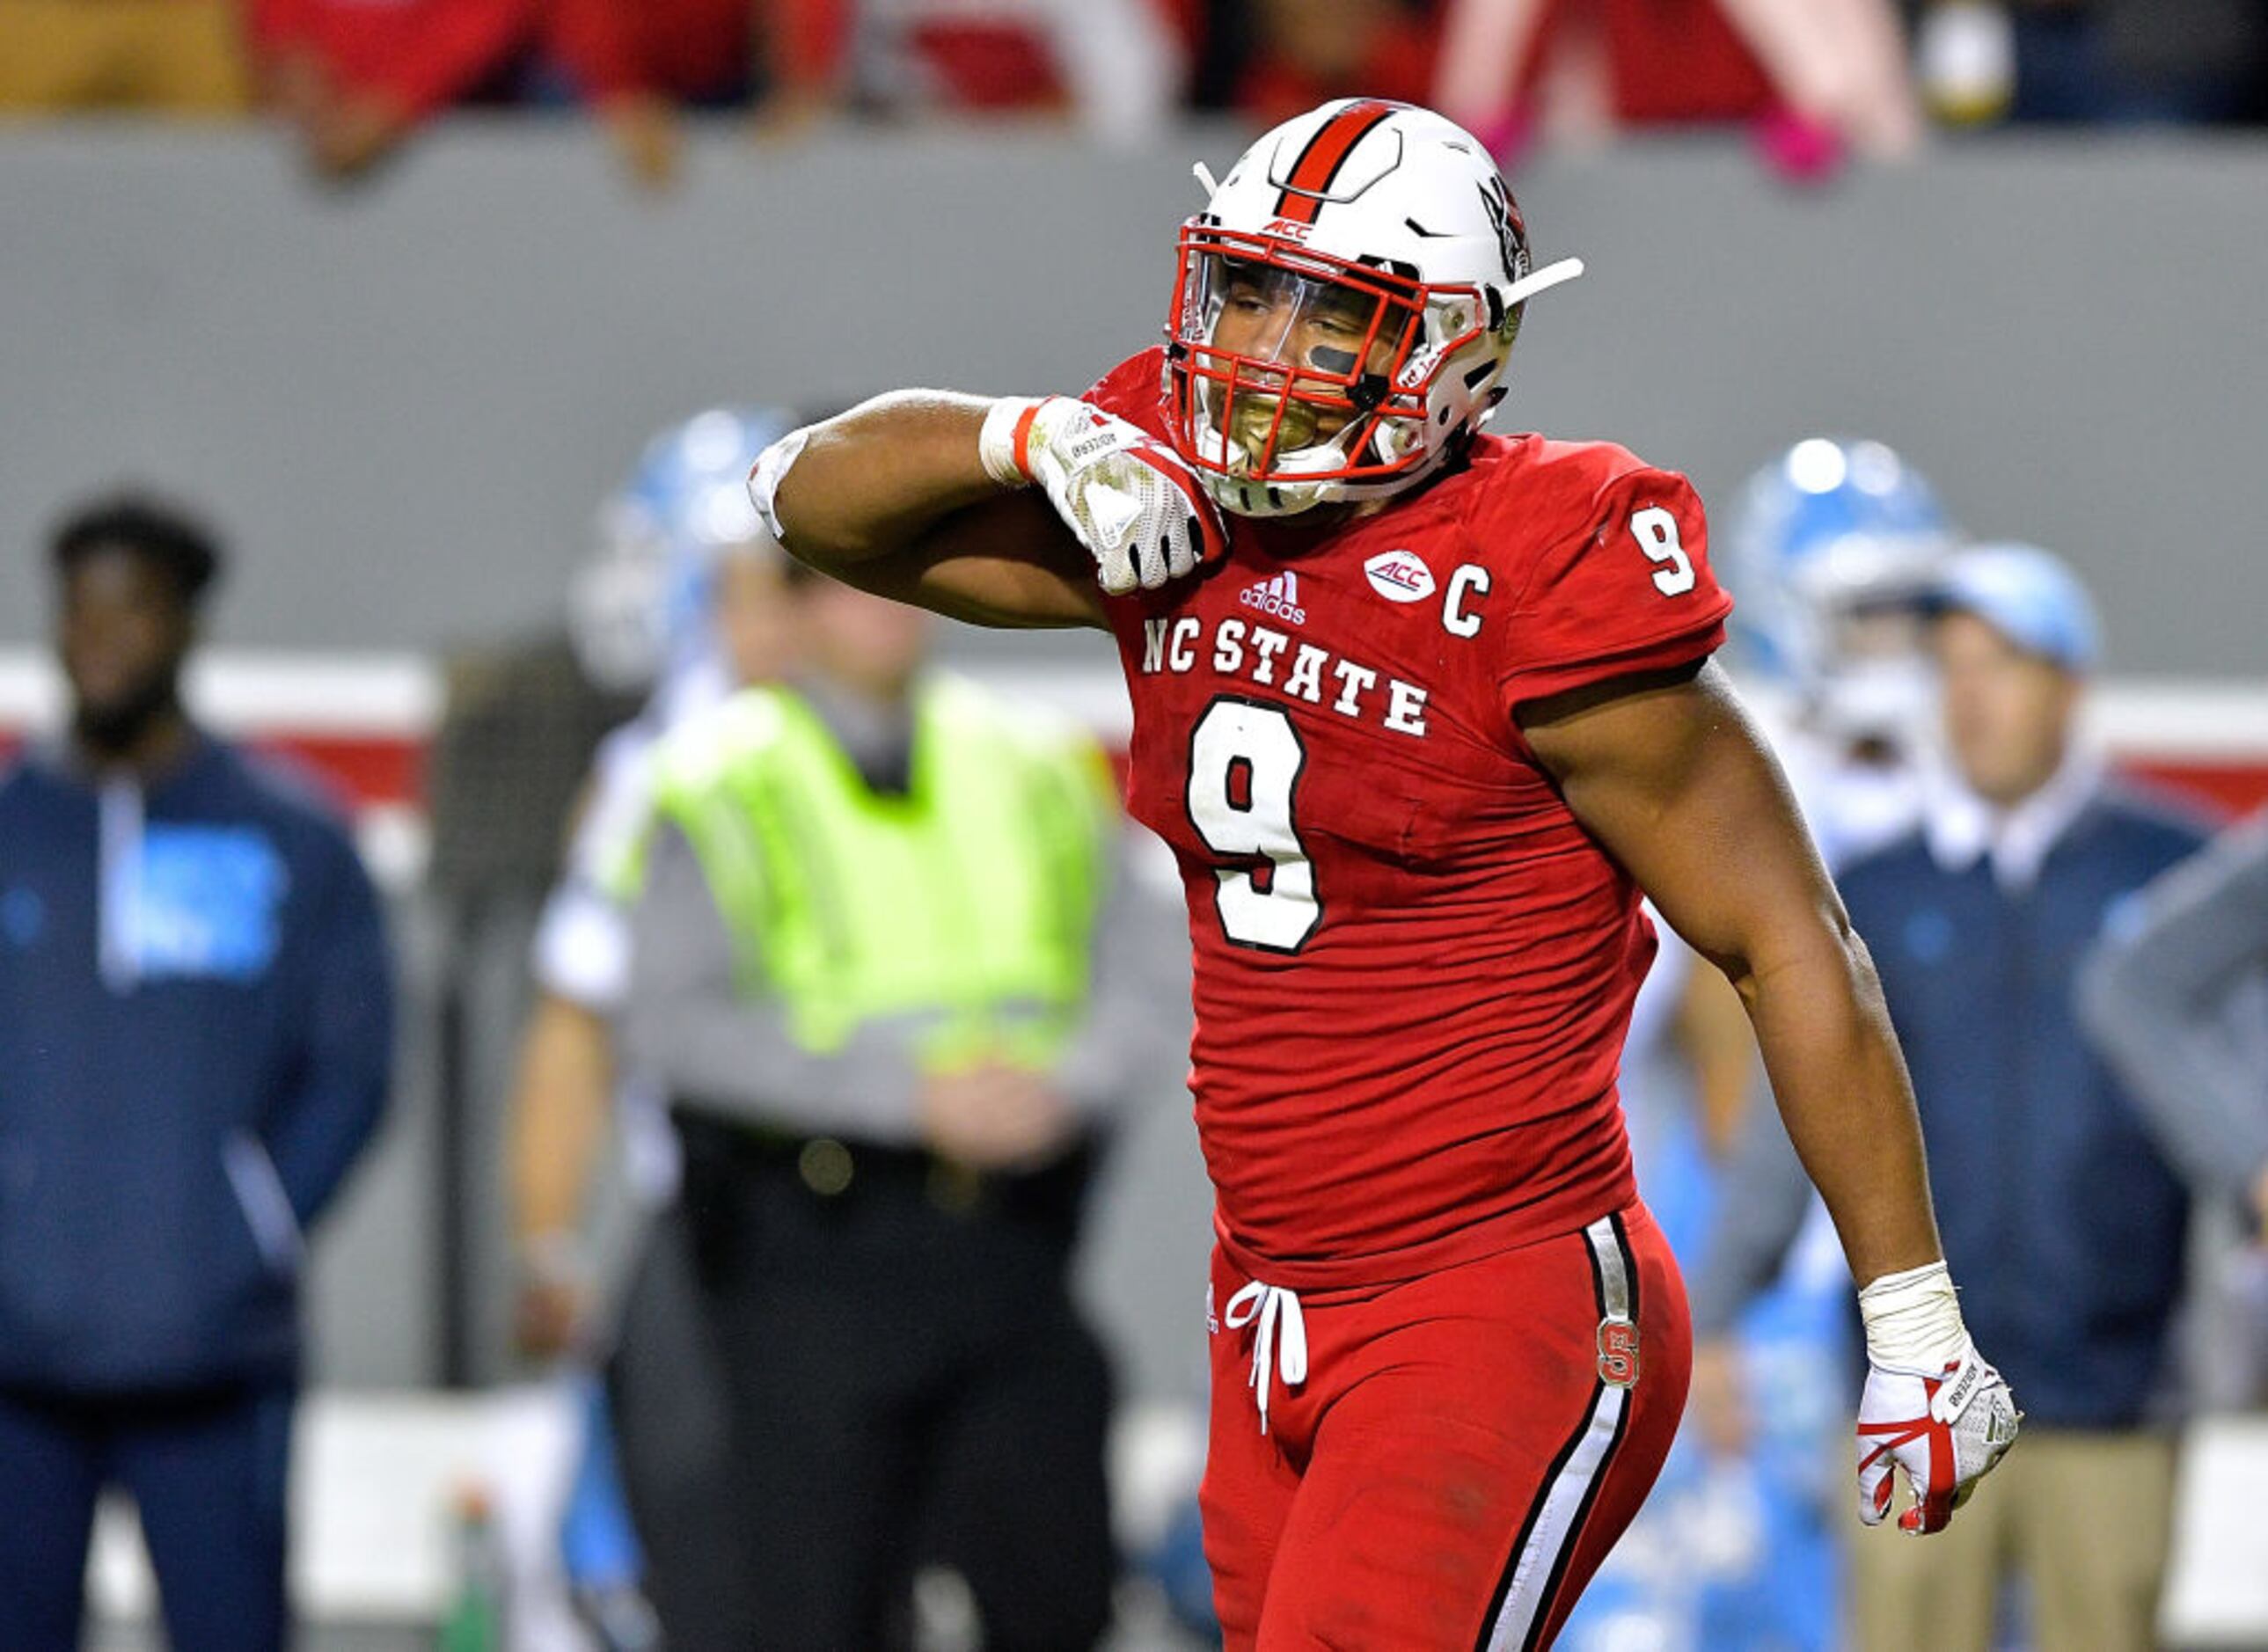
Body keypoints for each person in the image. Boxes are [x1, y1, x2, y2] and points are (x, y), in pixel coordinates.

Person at [743, 97, 2018, 1648]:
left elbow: (1782, 936)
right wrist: (1028, 433)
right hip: (1266, 1300)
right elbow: (809, 503)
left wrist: (1912, 1317)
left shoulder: (1538, 557)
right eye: (1247, 288)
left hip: (1497, 1296)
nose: (1265, 347)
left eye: (1327, 308)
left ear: (1454, 350)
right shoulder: (1167, 492)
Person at [613, 565, 1182, 1647]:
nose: (879, 607)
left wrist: (1058, 1088)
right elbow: (674, 1028)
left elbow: (1147, 973)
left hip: (1009, 1246)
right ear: (790, 608)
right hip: (810, 1257)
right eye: (841, 584)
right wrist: (906, 1097)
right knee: (813, 1609)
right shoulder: (720, 778)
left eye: (894, 577)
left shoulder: (1030, 759)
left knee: (1057, 1597)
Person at [1697, 542, 2212, 1650]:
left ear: (2068, 685)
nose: (1968, 697)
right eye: (1953, 668)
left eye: (2002, 666)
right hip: (1913, 1389)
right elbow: (1803, 1116)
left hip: (2116, 1385)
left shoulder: (2170, 874)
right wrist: (1721, 1312)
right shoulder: (1871, 889)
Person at [0, 495, 394, 1651]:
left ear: (186, 627)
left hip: (217, 1358)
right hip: (16, 1363)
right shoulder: (11, 829)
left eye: (132, 608)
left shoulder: (291, 836)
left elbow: (354, 1064)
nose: (101, 636)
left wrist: (255, 1218)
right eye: (79, 610)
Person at [505, 406, 801, 1641]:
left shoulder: (929, 751)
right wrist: (547, 1243)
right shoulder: (669, 770)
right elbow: (576, 1031)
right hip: (718, 1252)